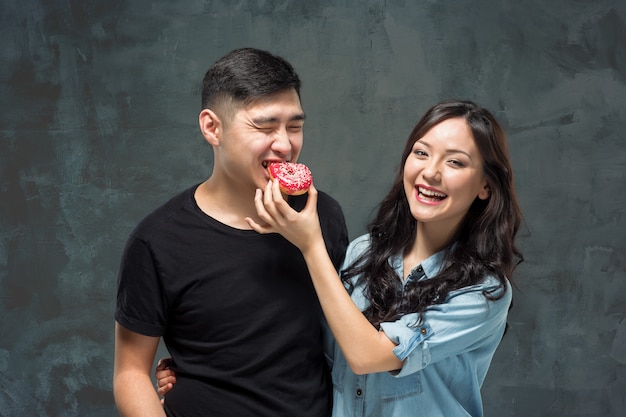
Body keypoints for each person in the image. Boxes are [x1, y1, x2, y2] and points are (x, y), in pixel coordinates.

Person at [159, 100, 523, 416]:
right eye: (421, 152)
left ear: (485, 187)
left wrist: (310, 243)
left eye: (456, 163)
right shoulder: (363, 253)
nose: (430, 172)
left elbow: (367, 355)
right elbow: (304, 346)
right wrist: (202, 368)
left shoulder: (484, 293)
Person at [113, 47, 348, 417]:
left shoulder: (324, 217)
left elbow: (347, 339)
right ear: (212, 127)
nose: (286, 145)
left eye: (295, 126)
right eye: (265, 126)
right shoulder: (157, 241)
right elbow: (130, 373)